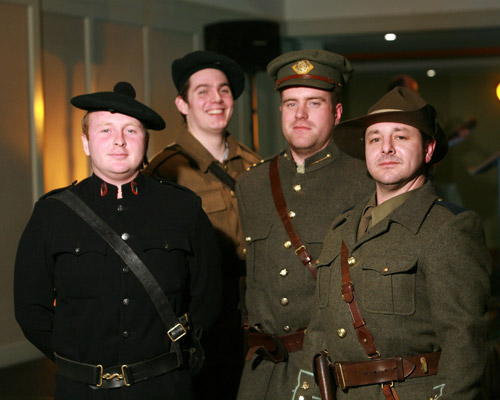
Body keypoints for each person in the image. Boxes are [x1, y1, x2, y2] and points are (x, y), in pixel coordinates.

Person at [14, 82, 221, 400]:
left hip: (165, 388)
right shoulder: (52, 213)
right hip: (81, 390)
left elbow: (208, 298)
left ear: (146, 141)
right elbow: (30, 308)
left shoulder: (184, 209)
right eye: (105, 130)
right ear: (85, 142)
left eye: (131, 131)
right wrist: (75, 358)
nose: (119, 142)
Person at [292, 87, 492, 400]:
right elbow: (320, 328)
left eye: (400, 137)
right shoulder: (341, 227)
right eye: (375, 139)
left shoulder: (448, 228)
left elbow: (464, 339)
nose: (386, 148)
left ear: (427, 150)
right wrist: (304, 393)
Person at [235, 49, 374, 399]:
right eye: (291, 103)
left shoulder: (365, 180)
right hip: (262, 373)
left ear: (337, 112)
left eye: (314, 103)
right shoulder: (251, 184)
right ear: (280, 110)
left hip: (332, 371)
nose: (300, 114)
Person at [143, 50, 260, 398]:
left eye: (224, 90)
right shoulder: (166, 172)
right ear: (182, 104)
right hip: (204, 328)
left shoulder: (256, 165)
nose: (216, 99)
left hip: (254, 323)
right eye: (203, 91)